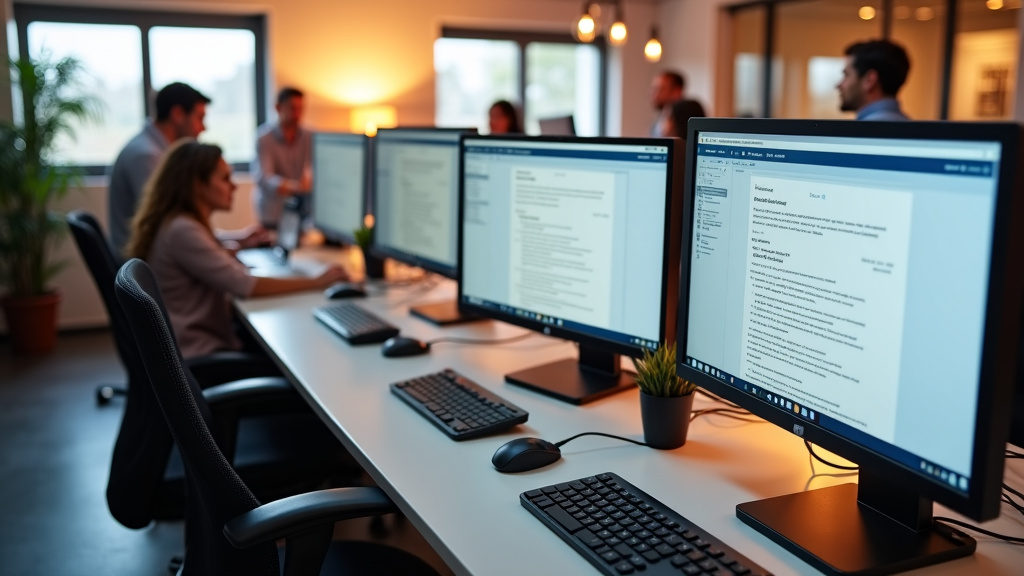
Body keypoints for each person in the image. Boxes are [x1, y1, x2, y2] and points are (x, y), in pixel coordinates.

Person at [125, 140, 348, 359]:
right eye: (224, 178)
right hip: (202, 354)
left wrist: (236, 243)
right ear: (198, 185)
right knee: (298, 350)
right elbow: (245, 285)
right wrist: (318, 281)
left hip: (191, 346)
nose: (234, 185)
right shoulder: (183, 230)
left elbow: (207, 249)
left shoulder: (177, 222)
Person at [108, 82, 210, 256]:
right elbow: (167, 223)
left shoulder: (153, 149)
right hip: (141, 263)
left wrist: (225, 239)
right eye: (199, 118)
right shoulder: (146, 155)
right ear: (177, 114)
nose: (203, 128)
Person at [253, 87, 312, 229]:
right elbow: (265, 178)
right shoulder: (264, 138)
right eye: (292, 108)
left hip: (300, 213)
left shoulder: (309, 136)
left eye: (300, 109)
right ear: (278, 108)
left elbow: (316, 167)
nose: (297, 114)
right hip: (272, 211)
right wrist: (294, 186)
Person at [837, 39, 911, 121]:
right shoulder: (911, 127)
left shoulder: (862, 131)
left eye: (846, 75)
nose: (838, 85)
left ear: (869, 80)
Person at [649, 71, 685, 136]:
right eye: (653, 88)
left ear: (677, 92)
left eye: (660, 89)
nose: (653, 93)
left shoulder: (687, 111)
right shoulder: (661, 117)